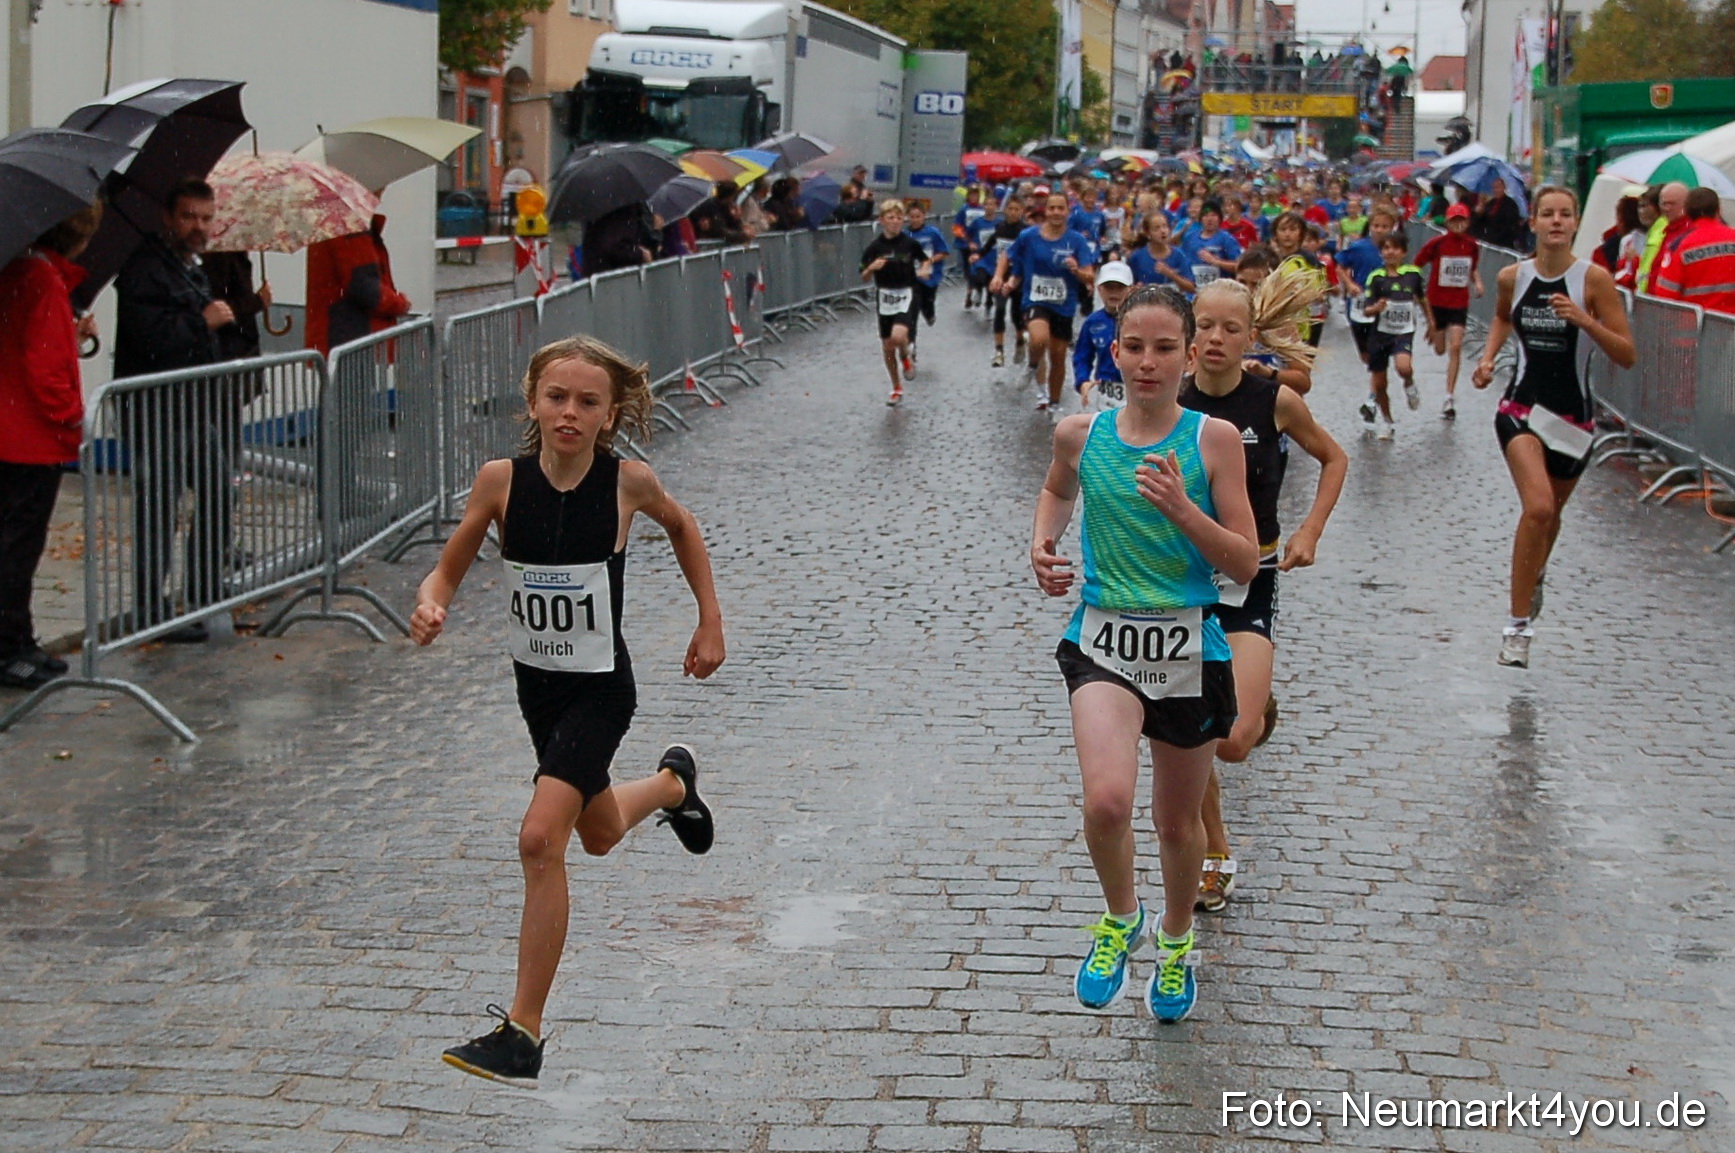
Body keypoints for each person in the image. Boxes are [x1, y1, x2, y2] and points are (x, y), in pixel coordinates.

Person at [418, 335, 724, 1086]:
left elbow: (683, 526)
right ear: (532, 402)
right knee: (598, 833)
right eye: (556, 397)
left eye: (588, 402)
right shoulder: (500, 482)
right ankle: (673, 785)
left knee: (538, 838)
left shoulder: (627, 483)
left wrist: (709, 620)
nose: (570, 412)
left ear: (609, 415)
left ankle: (522, 1032)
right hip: (539, 691)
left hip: (600, 690)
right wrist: (432, 601)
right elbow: (449, 564)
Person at [1030, 285, 1258, 1022]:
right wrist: (1043, 541)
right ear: (1114, 351)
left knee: (1174, 823)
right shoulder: (1079, 434)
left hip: (1190, 642)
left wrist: (1183, 510)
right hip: (1102, 638)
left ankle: (1176, 938)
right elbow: (1056, 489)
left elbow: (1245, 560)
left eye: (1164, 348)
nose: (1148, 362)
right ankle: (1120, 918)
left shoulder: (1212, 440)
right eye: (1134, 346)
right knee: (1106, 800)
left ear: (1189, 357)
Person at [1179, 280, 1346, 912]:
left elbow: (1334, 458)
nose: (1215, 339)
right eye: (1205, 325)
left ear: (1251, 337)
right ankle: (1214, 851)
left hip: (1252, 579)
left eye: (1230, 328)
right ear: (1190, 333)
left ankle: (1252, 693)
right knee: (1192, 728)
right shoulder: (1173, 400)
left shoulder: (1274, 401)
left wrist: (1310, 531)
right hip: (1181, 584)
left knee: (1235, 742)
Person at [1471, 186, 1635, 668]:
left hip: (1573, 419)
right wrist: (1487, 359)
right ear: (1535, 223)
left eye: (1565, 214)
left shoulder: (1594, 280)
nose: (1557, 221)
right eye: (1548, 214)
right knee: (1538, 506)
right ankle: (1517, 627)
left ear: (1576, 222)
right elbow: (1501, 317)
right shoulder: (1512, 276)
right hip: (1521, 408)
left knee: (1551, 516)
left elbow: (1626, 354)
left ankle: (1535, 572)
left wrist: (1584, 320)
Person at [113, 177, 235, 642]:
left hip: (194, 408)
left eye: (206, 218)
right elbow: (150, 340)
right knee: (159, 511)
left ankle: (203, 590)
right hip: (156, 411)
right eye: (188, 217)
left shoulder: (189, 268)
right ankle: (151, 610)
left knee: (218, 493)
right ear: (168, 217)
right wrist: (202, 322)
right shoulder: (145, 269)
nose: (198, 226)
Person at [0, 204, 101, 689]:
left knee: (16, 546)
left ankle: (19, 639)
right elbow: (42, 368)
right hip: (31, 438)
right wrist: (74, 417)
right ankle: (9, 648)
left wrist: (70, 332)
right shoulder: (42, 280)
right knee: (18, 549)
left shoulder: (23, 272)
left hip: (15, 432)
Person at [995, 192, 1098, 413]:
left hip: (1064, 304)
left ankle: (1054, 404)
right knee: (1039, 337)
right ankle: (1032, 365)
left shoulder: (1077, 241)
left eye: (1061, 208)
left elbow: (1090, 276)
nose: (1056, 213)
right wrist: (998, 276)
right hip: (1035, 299)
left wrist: (1076, 270)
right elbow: (1007, 255)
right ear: (1046, 211)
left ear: (1068, 211)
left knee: (1058, 357)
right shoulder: (1029, 236)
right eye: (1052, 208)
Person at [305, 207, 411, 355]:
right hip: (353, 339)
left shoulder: (331, 224)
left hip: (337, 337)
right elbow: (365, 287)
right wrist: (400, 303)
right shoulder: (350, 226)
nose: (379, 199)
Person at [859, 199, 933, 405]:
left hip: (907, 294)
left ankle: (906, 356)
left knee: (898, 336)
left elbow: (925, 259)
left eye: (899, 218)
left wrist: (924, 269)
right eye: (890, 218)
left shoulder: (909, 243)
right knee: (887, 346)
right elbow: (863, 275)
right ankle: (896, 387)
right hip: (885, 297)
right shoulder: (875, 247)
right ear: (882, 220)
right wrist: (871, 268)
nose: (895, 221)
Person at [1414, 203, 1484, 418]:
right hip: (1437, 302)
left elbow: (1472, 268)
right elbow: (1417, 264)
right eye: (1454, 221)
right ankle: (1437, 332)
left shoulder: (1472, 245)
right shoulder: (1437, 244)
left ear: (1468, 222)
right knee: (1440, 349)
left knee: (1456, 347)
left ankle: (1449, 397)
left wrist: (1477, 282)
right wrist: (1413, 289)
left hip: (1459, 303)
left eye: (1462, 220)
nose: (1458, 225)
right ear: (1447, 222)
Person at [1361, 233, 1428, 440]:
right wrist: (1376, 308)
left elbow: (1423, 300)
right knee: (1380, 384)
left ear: (1404, 252)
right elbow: (1366, 310)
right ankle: (1387, 421)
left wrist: (1432, 325)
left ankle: (1409, 383)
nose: (1390, 252)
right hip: (1380, 335)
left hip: (1403, 332)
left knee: (1403, 367)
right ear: (1381, 252)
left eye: (1395, 248)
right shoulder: (1375, 277)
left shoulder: (1413, 274)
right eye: (1386, 248)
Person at [1338, 205, 1400, 424]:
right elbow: (1340, 266)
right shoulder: (1359, 247)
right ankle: (1375, 387)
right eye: (1376, 225)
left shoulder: (1395, 250)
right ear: (1369, 226)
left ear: (1392, 228)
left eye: (1385, 226)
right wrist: (1350, 284)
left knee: (1378, 357)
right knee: (1367, 357)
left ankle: (1372, 400)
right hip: (1358, 308)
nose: (1380, 230)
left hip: (1383, 310)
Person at [1652, 188, 1735, 315]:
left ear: (1686, 211)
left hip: (1694, 323)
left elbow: (1665, 295)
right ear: (1719, 210)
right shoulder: (1732, 237)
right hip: (1731, 322)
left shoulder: (1679, 245)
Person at [1073, 261, 1134, 410]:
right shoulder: (1092, 322)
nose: (1114, 292)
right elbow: (1082, 356)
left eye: (1120, 287)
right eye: (1109, 287)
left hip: (1138, 387)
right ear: (1099, 289)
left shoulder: (1142, 320)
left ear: (1130, 289)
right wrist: (1083, 381)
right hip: (1107, 391)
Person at [982, 197, 1030, 368]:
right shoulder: (1000, 228)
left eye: (1017, 209)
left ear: (1022, 211)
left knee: (1016, 315)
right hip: (1001, 276)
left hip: (1018, 278)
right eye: (1010, 208)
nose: (1013, 212)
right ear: (1005, 210)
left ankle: (1020, 341)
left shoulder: (1025, 232)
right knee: (1000, 310)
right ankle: (999, 351)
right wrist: (978, 255)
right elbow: (990, 244)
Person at [903, 203, 949, 368]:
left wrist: (930, 260)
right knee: (912, 310)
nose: (915, 220)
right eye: (912, 216)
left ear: (924, 216)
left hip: (930, 277)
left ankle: (930, 314)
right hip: (912, 278)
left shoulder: (932, 233)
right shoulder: (904, 234)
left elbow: (944, 252)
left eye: (918, 216)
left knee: (927, 303)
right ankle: (911, 343)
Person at [1126, 212, 1195, 296]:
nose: (1162, 231)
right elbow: (1128, 287)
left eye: (1165, 226)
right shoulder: (1137, 257)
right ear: (1148, 234)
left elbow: (1191, 288)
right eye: (1156, 228)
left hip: (1174, 302)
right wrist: (1136, 289)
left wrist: (1171, 274)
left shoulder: (1179, 255)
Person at [1179, 200, 1243, 291]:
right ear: (1201, 218)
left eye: (1213, 215)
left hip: (1219, 291)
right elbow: (1182, 263)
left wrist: (1215, 261)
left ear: (1219, 218)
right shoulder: (1189, 238)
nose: (1209, 219)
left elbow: (1239, 267)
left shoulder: (1227, 239)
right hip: (1193, 292)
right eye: (1206, 215)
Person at [1637, 182, 1688, 294]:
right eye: (1664, 204)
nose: (1666, 208)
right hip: (1650, 295)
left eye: (1671, 204)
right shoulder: (1665, 228)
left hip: (1659, 297)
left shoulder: (1680, 231)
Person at [1471, 177, 1525, 251]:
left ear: (1504, 188)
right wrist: (1478, 213)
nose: (1496, 190)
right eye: (1494, 188)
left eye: (1498, 187)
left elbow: (1510, 226)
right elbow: (1482, 223)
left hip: (1503, 243)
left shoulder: (1510, 204)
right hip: (1490, 242)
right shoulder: (1491, 203)